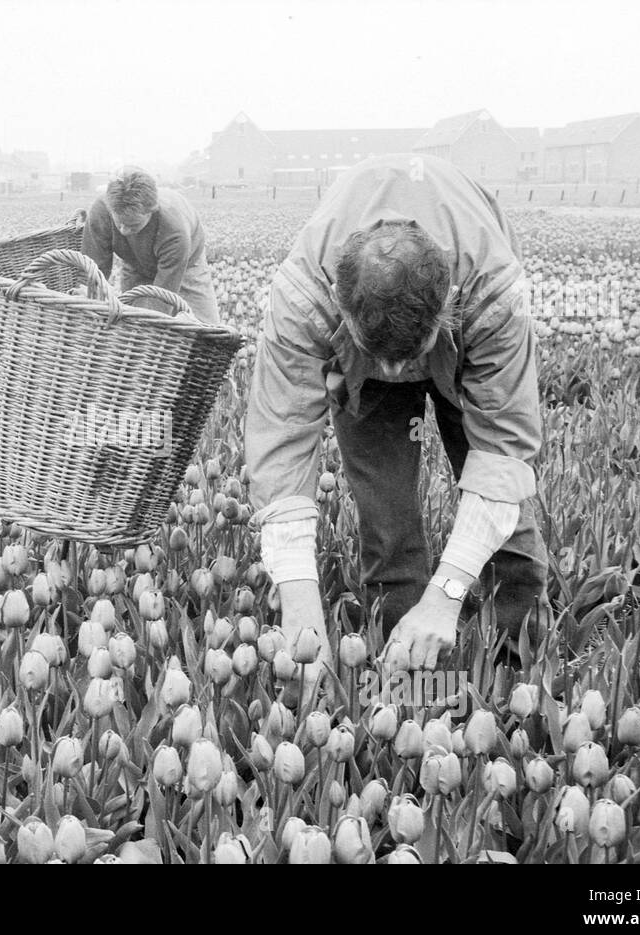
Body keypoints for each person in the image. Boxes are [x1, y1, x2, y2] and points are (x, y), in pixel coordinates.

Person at [245, 153, 548, 693]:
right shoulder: (302, 297)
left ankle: (514, 670)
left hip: (465, 348)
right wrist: (301, 607)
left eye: (407, 357)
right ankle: (402, 680)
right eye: (378, 356)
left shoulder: (493, 296)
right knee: (385, 510)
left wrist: (447, 594)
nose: (392, 373)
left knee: (504, 503)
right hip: (365, 348)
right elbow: (281, 445)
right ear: (340, 306)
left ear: (447, 307)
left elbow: (503, 452)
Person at [82, 167, 220, 323]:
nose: (124, 231)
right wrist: (91, 304)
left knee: (205, 327)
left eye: (133, 225)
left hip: (186, 265)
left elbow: (163, 300)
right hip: (135, 264)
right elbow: (93, 269)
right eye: (119, 223)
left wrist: (151, 323)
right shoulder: (101, 211)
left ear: (151, 212)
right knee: (131, 321)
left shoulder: (174, 230)